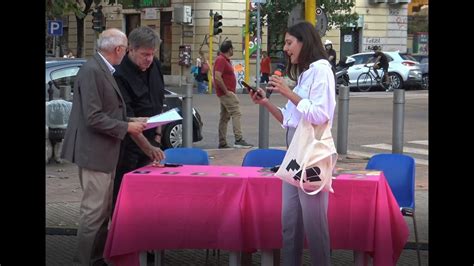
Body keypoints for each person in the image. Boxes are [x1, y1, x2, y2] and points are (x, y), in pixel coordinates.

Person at [60, 28, 163, 266]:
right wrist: (127, 127)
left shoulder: (102, 69)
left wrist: (131, 121)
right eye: (126, 48)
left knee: (103, 211)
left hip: (104, 151)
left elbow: (113, 112)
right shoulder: (93, 71)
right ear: (119, 50)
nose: (126, 52)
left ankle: (97, 258)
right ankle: (84, 260)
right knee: (93, 212)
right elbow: (93, 117)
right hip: (95, 152)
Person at [248, 21, 335, 265]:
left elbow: (321, 115)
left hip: (313, 157)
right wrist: (265, 102)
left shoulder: (322, 70)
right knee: (290, 224)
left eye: (289, 43)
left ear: (304, 42)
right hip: (294, 156)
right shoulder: (306, 74)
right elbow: (289, 120)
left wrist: (288, 93)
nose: (285, 49)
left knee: (315, 228)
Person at [112, 26, 167, 211]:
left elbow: (158, 103)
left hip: (152, 140)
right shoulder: (119, 73)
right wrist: (147, 147)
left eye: (152, 54)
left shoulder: (155, 65)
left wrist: (157, 139)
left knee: (148, 198)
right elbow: (126, 117)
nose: (149, 59)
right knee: (123, 196)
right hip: (127, 146)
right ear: (131, 49)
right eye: (145, 54)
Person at [213, 40, 253, 149]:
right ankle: (238, 139)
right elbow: (217, 77)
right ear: (229, 49)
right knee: (236, 113)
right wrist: (226, 91)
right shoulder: (221, 60)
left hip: (226, 92)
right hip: (226, 93)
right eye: (232, 48)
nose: (233, 50)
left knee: (224, 117)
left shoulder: (224, 60)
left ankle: (222, 142)